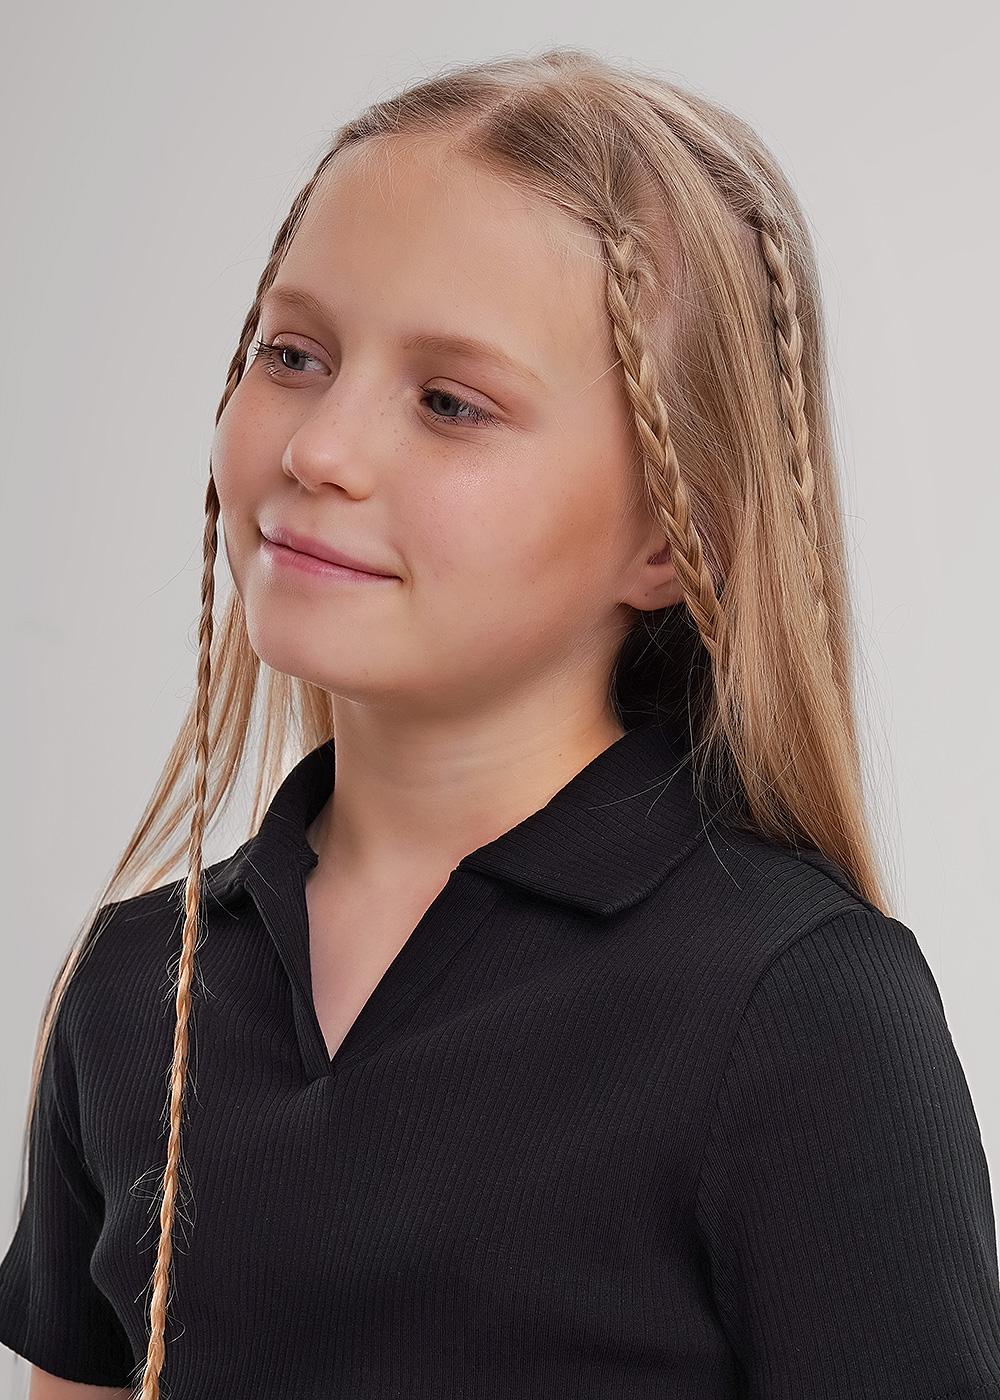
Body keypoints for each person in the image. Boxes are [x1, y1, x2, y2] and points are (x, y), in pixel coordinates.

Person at [2, 46, 999, 1400]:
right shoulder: (134, 986)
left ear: (676, 532)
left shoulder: (802, 1010)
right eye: (293, 355)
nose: (319, 448)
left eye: (450, 403)